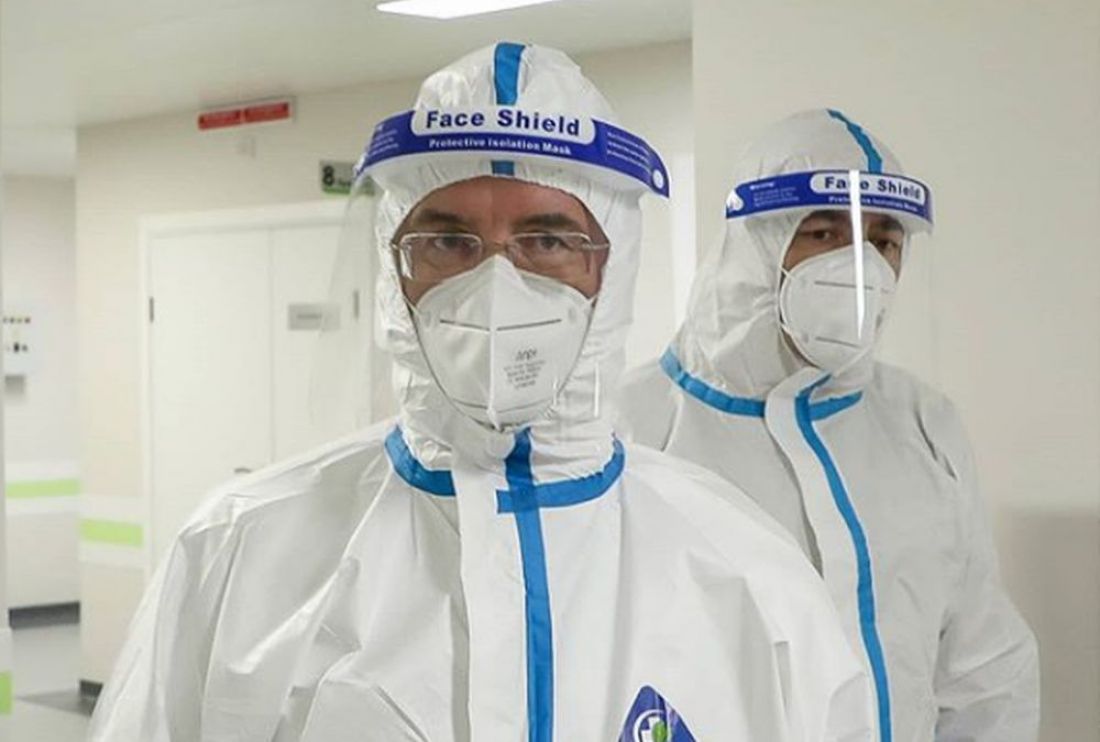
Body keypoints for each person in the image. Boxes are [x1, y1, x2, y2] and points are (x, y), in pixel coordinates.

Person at [88, 47, 873, 741]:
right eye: (448, 241)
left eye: (548, 240)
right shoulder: (239, 551)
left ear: (612, 266)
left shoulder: (748, 575)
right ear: (395, 266)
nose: (497, 283)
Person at [617, 109, 1040, 742]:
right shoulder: (633, 429)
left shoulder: (923, 423)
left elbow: (981, 667)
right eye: (823, 233)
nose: (860, 265)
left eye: (884, 242)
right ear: (756, 244)